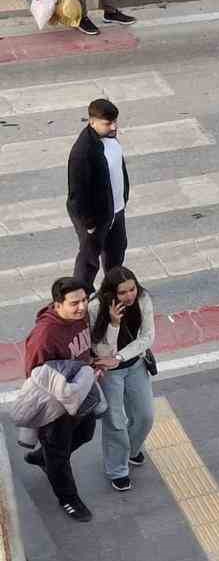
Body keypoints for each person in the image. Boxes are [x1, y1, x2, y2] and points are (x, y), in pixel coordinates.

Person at [23, 278, 98, 521]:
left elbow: (83, 350)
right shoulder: (44, 336)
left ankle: (43, 457)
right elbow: (36, 375)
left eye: (85, 300)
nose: (82, 307)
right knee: (58, 454)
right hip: (55, 405)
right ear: (57, 304)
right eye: (74, 302)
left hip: (81, 392)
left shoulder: (79, 317)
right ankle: (68, 499)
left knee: (85, 433)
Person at [85, 266, 155, 493]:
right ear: (111, 293)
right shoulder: (95, 308)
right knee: (115, 421)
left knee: (145, 415)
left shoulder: (143, 299)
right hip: (108, 371)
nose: (130, 295)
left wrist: (120, 356)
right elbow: (101, 350)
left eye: (132, 289)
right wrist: (113, 324)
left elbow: (147, 337)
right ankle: (117, 469)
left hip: (134, 363)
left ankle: (131, 450)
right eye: (123, 292)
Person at [66, 97, 130, 287]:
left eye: (115, 122)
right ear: (91, 121)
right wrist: (89, 224)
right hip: (95, 217)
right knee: (89, 261)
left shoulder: (110, 138)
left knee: (116, 252)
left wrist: (123, 199)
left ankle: (112, 290)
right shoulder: (82, 152)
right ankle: (81, 296)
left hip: (116, 210)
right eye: (108, 123)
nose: (113, 127)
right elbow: (77, 194)